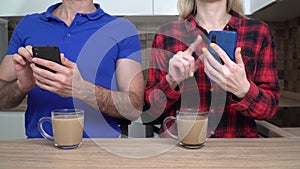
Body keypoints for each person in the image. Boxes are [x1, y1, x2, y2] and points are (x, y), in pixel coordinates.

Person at [0, 0, 144, 138]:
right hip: (39, 148)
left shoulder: (122, 28)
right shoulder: (28, 25)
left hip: (100, 149)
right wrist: (21, 86)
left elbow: (134, 107)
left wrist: (81, 89)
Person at [144, 0, 280, 138]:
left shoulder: (258, 32)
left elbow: (269, 108)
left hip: (238, 150)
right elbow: (151, 111)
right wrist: (171, 81)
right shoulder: (167, 34)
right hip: (181, 147)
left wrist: (243, 89)